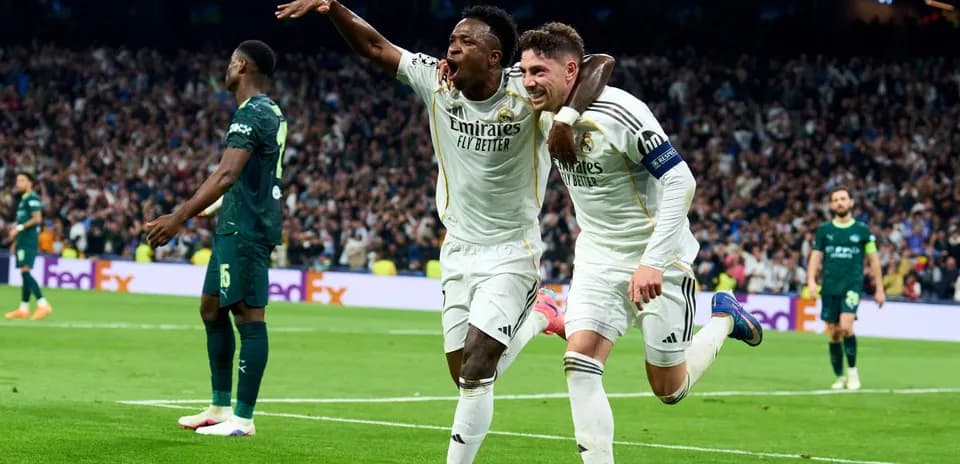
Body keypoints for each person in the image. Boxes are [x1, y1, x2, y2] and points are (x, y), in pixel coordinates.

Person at [274, 2, 613, 462]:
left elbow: (599, 62)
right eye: (452, 40)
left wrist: (567, 119)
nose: (452, 48)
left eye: (466, 41)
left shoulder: (525, 87)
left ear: (495, 57)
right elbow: (375, 46)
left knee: (477, 368)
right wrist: (332, 7)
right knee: (465, 375)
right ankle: (541, 315)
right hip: (457, 249)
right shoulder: (435, 81)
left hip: (512, 249)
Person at [518, 23, 764, 463]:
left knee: (669, 389)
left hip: (658, 259)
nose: (529, 82)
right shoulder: (537, 105)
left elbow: (681, 180)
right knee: (579, 362)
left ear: (571, 70)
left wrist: (652, 261)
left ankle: (725, 317)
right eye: (524, 72)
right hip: (596, 256)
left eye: (539, 72)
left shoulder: (622, 112)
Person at [144, 40, 286, 437]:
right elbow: (253, 173)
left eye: (229, 62)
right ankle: (220, 407)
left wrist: (179, 217)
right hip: (234, 221)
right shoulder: (270, 110)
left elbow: (226, 174)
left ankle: (243, 419)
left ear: (241, 65)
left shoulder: (252, 113)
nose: (226, 69)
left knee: (248, 316)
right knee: (211, 309)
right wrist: (216, 205)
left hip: (247, 228)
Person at [807, 187, 884, 391]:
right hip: (830, 287)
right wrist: (811, 282)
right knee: (833, 333)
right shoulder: (824, 231)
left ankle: (852, 372)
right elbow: (815, 257)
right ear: (831, 205)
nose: (839, 203)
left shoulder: (862, 231)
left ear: (851, 202)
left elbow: (874, 260)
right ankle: (839, 376)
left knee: (847, 326)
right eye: (835, 200)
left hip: (852, 286)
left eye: (843, 199)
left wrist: (879, 289)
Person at [5, 173, 53, 320]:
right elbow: (23, 222)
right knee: (24, 272)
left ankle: (43, 304)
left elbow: (37, 219)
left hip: (29, 241)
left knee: (25, 272)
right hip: (22, 240)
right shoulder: (23, 200)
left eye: (22, 180)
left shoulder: (32, 198)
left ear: (30, 183)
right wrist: (16, 242)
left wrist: (18, 229)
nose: (18, 183)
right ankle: (23, 309)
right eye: (17, 180)